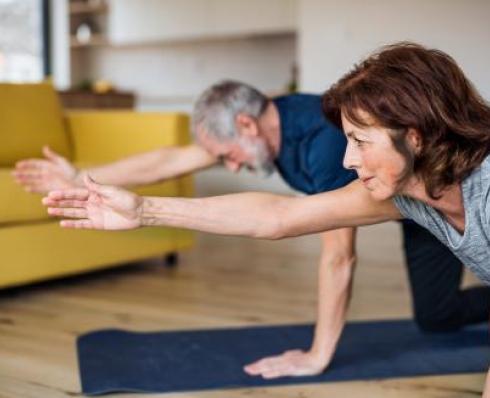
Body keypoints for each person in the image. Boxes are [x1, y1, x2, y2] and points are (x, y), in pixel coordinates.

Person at [18, 63, 490, 379]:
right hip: (419, 203)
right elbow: (276, 213)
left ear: (415, 137)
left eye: (361, 142)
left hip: (429, 197)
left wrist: (318, 355)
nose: (350, 158)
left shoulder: (328, 153)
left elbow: (338, 259)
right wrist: (113, 194)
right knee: (437, 317)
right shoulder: (287, 132)